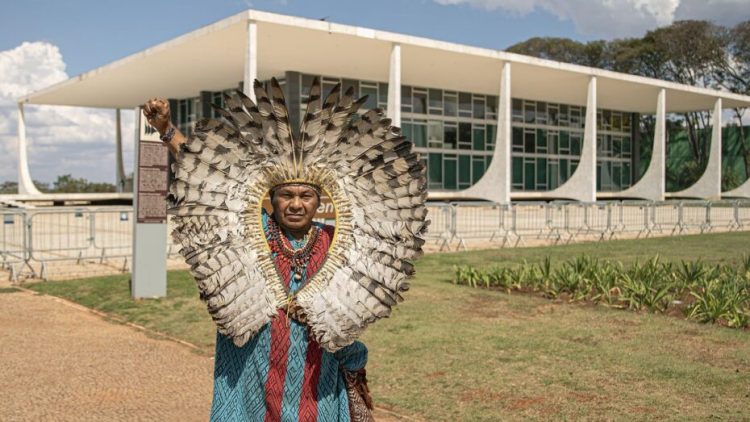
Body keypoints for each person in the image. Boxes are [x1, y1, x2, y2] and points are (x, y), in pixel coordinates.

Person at [143, 98, 372, 421]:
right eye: (286, 196)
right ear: (272, 200)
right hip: (254, 373)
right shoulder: (251, 230)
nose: (295, 204)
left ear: (318, 201)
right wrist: (167, 130)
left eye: (305, 196)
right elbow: (205, 181)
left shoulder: (336, 243)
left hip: (316, 378)